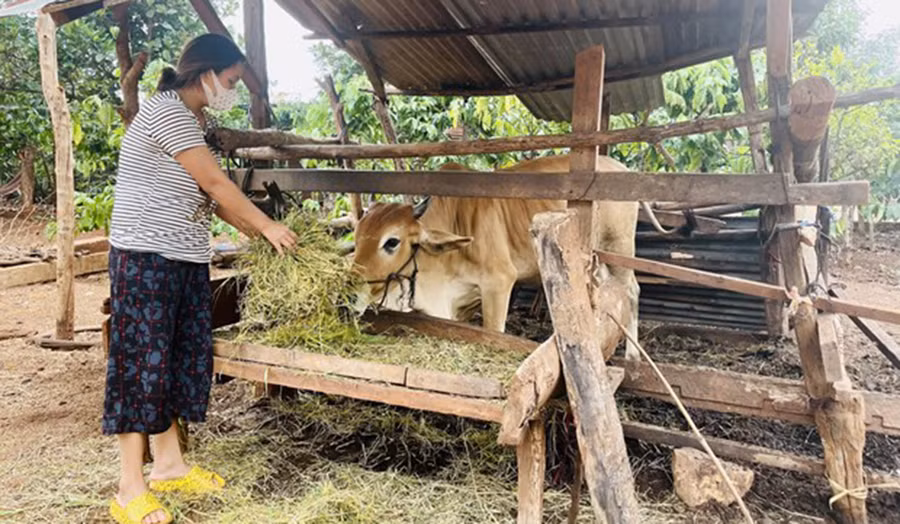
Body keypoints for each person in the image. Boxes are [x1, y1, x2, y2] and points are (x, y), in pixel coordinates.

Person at [104, 33, 297, 524]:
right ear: (206, 72)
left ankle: (169, 466)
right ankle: (129, 488)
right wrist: (267, 224)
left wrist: (259, 236)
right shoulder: (167, 111)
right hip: (145, 256)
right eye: (231, 80)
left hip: (184, 256)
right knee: (141, 363)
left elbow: (210, 199)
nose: (231, 90)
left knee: (174, 358)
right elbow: (215, 182)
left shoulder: (193, 119)